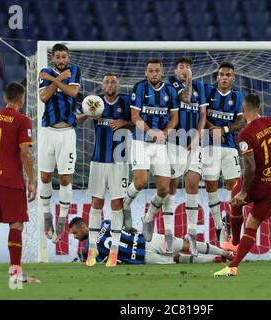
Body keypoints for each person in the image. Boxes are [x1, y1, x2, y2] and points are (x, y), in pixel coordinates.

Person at [214, 93, 271, 277]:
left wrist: (244, 193)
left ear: (243, 110)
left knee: (235, 200)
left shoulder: (245, 134)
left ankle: (234, 241)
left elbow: (251, 166)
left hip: (256, 183)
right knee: (252, 225)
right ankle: (234, 266)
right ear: (259, 108)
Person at [0, 82, 36, 285]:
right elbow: (25, 153)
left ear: (4, 98)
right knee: (16, 224)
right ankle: (15, 273)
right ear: (22, 99)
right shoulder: (22, 120)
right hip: (11, 179)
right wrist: (33, 181)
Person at [76, 73, 133, 267]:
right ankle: (92, 249)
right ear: (102, 85)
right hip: (98, 160)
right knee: (96, 202)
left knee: (117, 203)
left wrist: (124, 123)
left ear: (118, 84)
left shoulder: (126, 102)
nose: (110, 84)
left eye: (113, 82)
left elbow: (137, 122)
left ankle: (114, 251)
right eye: (107, 82)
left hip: (120, 159)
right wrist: (90, 113)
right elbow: (78, 119)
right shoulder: (94, 102)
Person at [122, 59, 179, 242]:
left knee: (164, 189)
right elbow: (134, 115)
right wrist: (151, 132)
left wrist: (164, 133)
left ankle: (147, 219)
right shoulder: (139, 88)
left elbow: (175, 117)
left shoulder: (170, 91)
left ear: (162, 73)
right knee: (140, 182)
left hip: (160, 143)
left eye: (157, 71)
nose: (154, 74)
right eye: (150, 71)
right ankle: (126, 205)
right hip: (141, 142)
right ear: (146, 73)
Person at [162, 57, 207, 255]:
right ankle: (169, 233)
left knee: (192, 185)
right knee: (172, 186)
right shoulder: (171, 84)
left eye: (188, 67)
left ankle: (192, 234)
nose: (185, 70)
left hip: (194, 143)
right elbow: (186, 98)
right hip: (174, 142)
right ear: (175, 70)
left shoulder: (200, 87)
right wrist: (187, 81)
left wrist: (198, 135)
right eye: (181, 67)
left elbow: (203, 114)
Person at [38, 43, 81, 243]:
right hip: (48, 131)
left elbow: (73, 93)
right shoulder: (45, 71)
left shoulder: (74, 71)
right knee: (45, 176)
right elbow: (44, 97)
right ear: (53, 58)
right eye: (58, 57)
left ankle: (62, 218)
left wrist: (54, 81)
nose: (62, 60)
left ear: (68, 57)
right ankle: (47, 216)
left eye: (64, 56)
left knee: (65, 179)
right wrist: (57, 80)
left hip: (67, 133)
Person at [203, 61, 245, 246]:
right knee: (211, 185)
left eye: (228, 75)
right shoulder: (208, 92)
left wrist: (225, 130)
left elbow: (241, 121)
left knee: (233, 187)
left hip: (229, 147)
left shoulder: (238, 96)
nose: (224, 78)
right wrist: (213, 128)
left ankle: (230, 224)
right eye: (221, 74)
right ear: (217, 77)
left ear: (233, 78)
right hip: (208, 147)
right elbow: (201, 116)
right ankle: (219, 226)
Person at [69, 217, 234, 265]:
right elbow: (126, 228)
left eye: (75, 233)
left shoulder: (92, 247)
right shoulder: (105, 222)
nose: (75, 237)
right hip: (144, 247)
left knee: (180, 252)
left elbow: (104, 261)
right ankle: (219, 256)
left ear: (84, 227)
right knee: (179, 251)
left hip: (142, 250)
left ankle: (220, 255)